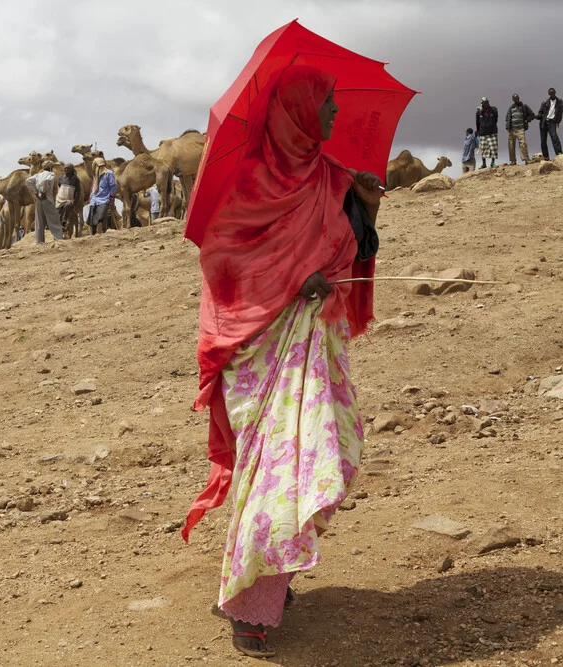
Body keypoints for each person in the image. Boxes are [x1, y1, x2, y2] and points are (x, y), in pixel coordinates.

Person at [181, 65, 380, 659]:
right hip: (263, 352)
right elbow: (225, 262)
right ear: (297, 111)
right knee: (284, 468)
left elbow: (353, 253)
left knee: (327, 461)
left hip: (314, 348)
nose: (336, 114)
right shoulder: (249, 185)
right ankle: (249, 606)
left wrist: (365, 209)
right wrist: (296, 277)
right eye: (327, 103)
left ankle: (270, 573)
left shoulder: (334, 179)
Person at [26, 160, 65, 244]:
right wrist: (43, 192)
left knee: (39, 220)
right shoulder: (51, 174)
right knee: (53, 219)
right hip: (47, 198)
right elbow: (45, 182)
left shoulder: (38, 175)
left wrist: (36, 192)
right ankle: (58, 238)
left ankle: (39, 241)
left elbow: (28, 181)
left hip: (38, 200)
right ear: (51, 168)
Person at [87, 157, 117, 235]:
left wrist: (111, 197)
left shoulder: (108, 173)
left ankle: (104, 233)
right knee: (92, 220)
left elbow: (113, 186)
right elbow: (94, 187)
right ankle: (93, 235)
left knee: (101, 218)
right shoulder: (96, 176)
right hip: (94, 200)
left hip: (104, 199)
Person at [505, 93, 535, 165]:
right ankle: (513, 161)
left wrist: (527, 120)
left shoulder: (524, 107)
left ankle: (526, 159)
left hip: (520, 129)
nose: (516, 100)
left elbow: (532, 115)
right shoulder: (511, 108)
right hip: (511, 130)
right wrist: (508, 126)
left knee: (523, 144)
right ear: (513, 100)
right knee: (511, 145)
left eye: (517, 98)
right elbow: (507, 117)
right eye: (515, 99)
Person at [56, 163, 83, 238]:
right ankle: (59, 231)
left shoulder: (75, 179)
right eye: (65, 168)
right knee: (57, 213)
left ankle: (64, 222)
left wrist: (76, 201)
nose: (66, 169)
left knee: (68, 205)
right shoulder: (61, 178)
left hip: (70, 199)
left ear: (72, 169)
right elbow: (59, 187)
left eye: (68, 168)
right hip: (60, 199)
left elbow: (78, 191)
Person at [537, 88, 563, 160]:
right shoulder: (545, 102)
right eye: (551, 93)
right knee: (543, 140)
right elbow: (540, 112)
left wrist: (557, 122)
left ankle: (559, 154)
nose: (552, 94)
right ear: (549, 94)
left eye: (553, 93)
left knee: (555, 138)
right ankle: (546, 157)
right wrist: (538, 116)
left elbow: (560, 113)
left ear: (555, 93)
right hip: (544, 122)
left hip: (552, 122)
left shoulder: (559, 101)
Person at [476, 97, 499, 169]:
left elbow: (496, 119)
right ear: (482, 103)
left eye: (487, 102)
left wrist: (491, 125)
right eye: (484, 103)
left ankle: (493, 163)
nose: (486, 104)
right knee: (483, 148)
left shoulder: (494, 110)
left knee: (493, 148)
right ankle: (484, 164)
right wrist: (479, 131)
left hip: (492, 132)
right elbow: (477, 122)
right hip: (483, 132)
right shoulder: (479, 112)